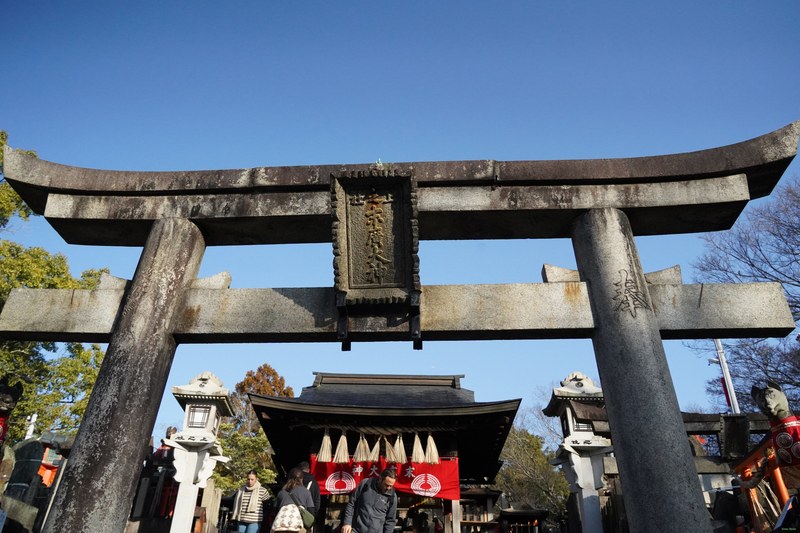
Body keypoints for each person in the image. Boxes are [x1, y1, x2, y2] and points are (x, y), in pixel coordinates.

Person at [274, 467, 316, 533]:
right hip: (298, 527)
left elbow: (275, 510)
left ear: (289, 478)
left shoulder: (281, 492)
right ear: (302, 479)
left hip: (281, 527)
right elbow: (311, 511)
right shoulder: (306, 492)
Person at [298, 461, 321, 530]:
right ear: (308, 470)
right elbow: (317, 501)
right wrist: (314, 514)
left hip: (297, 514)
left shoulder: (295, 481)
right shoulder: (314, 483)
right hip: (310, 514)